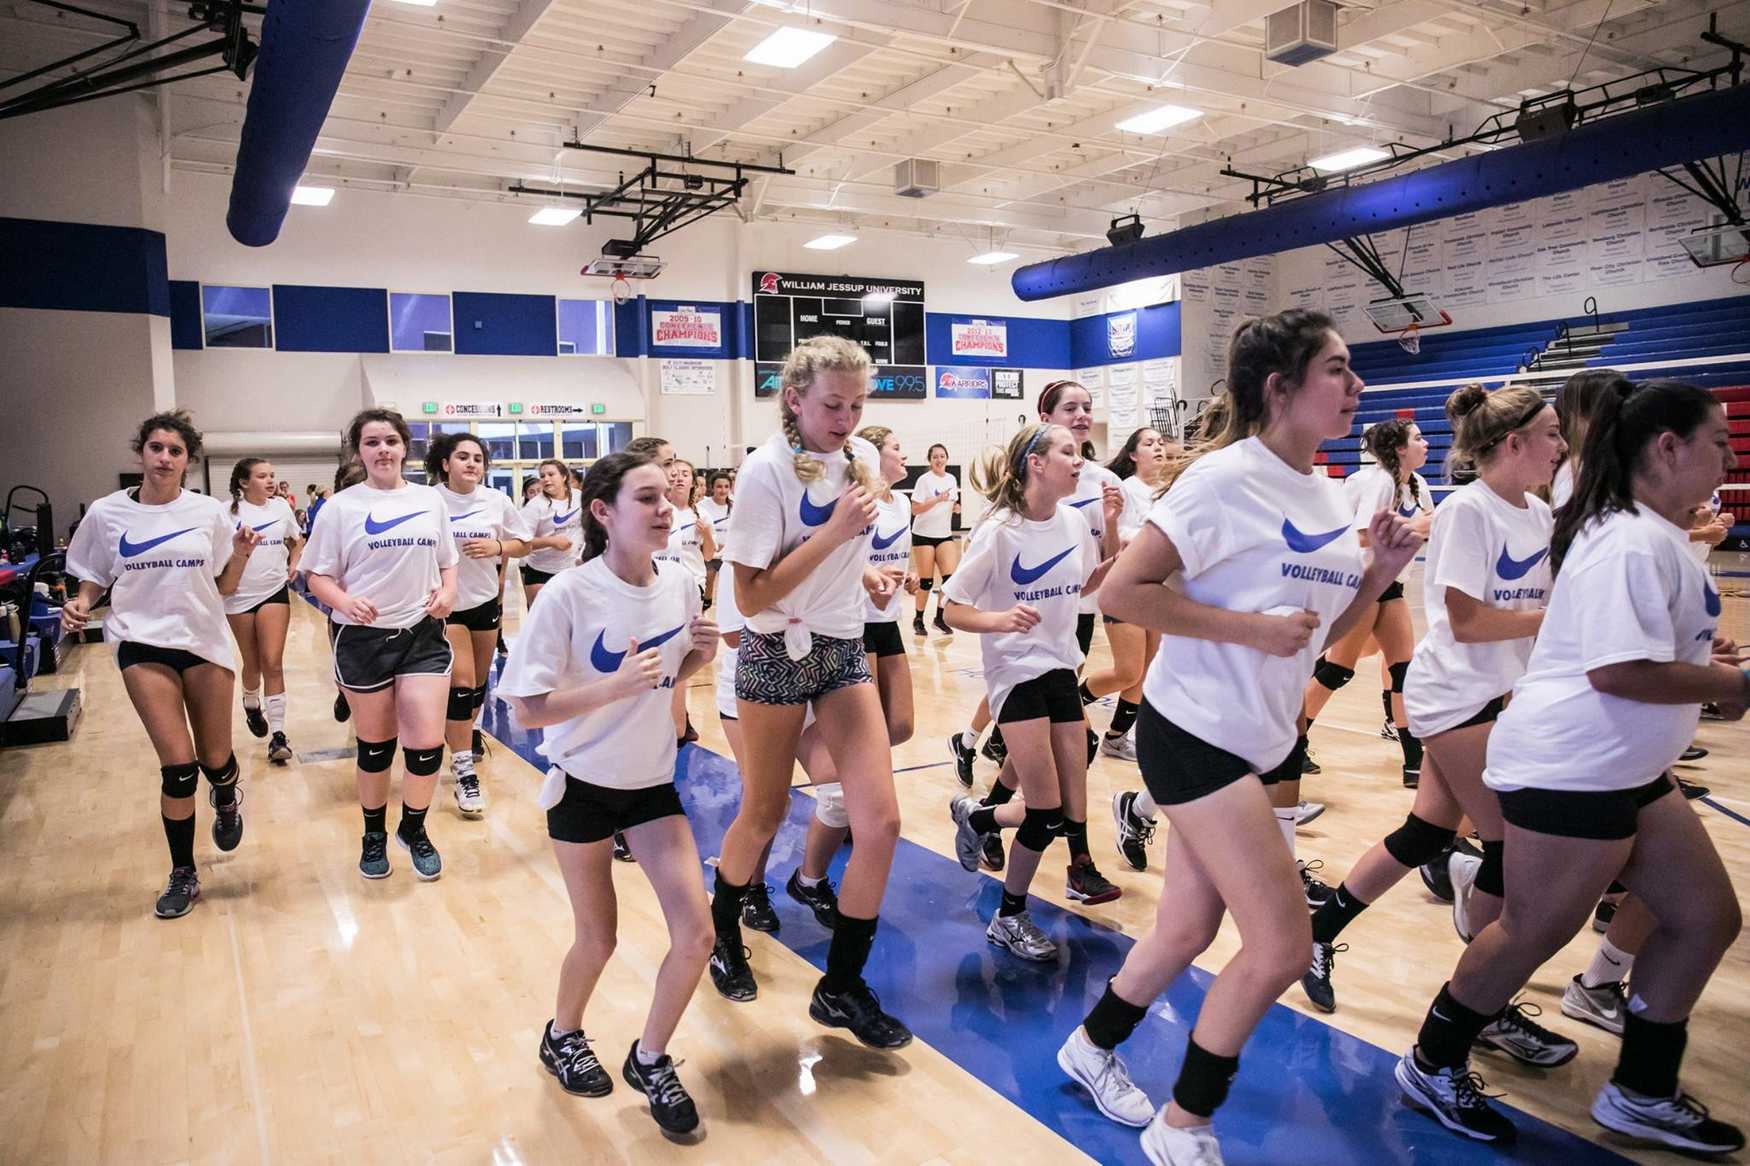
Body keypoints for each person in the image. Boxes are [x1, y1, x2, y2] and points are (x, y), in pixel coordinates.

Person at [1055, 311, 1419, 1166]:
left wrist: (1379, 573)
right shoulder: (1222, 480)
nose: (1358, 385)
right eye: (1338, 369)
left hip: (1262, 737)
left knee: (1186, 929)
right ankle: (1183, 1123)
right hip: (1194, 733)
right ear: (1280, 388)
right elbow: (1124, 594)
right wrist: (1248, 630)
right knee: (1285, 945)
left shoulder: (1326, 492)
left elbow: (1325, 634)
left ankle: (1090, 1045)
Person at [1395, 379, 1744, 1157]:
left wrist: (1702, 665)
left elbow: (1625, 650)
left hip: (1625, 765)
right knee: (1531, 931)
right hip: (1571, 766)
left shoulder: (1647, 533)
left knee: (1704, 917)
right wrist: (1732, 685)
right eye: (1718, 441)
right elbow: (1615, 671)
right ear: (1668, 448)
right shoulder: (1628, 540)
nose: (1729, 456)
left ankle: (1642, 1090)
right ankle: (1431, 1063)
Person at [1297, 385, 1570, 1071]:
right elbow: (1469, 622)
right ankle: (1486, 1004)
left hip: (1494, 694)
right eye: (1550, 433)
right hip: (1453, 697)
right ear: (1514, 443)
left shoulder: (1539, 512)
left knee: (1425, 833)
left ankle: (1318, 934)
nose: (1561, 445)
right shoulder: (1468, 511)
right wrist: (1554, 620)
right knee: (1508, 843)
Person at [498, 451, 718, 1136]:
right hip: (583, 786)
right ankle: (562, 1034)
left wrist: (701, 654)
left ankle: (650, 1058)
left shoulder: (682, 583)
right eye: (646, 498)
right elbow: (525, 710)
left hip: (651, 785)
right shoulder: (569, 593)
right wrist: (613, 687)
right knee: (598, 938)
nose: (665, 508)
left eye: (666, 497)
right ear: (603, 511)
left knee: (697, 935)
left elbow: (671, 671)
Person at [709, 334, 910, 1050]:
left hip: (842, 648)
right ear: (794, 399)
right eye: (832, 404)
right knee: (763, 813)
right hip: (773, 651)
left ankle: (841, 985)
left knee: (881, 822)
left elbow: (837, 557)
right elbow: (751, 594)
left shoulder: (858, 461)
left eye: (857, 405)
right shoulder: (764, 472)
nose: (846, 418)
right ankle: (722, 933)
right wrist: (836, 535)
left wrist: (864, 572)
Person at [62, 411, 260, 917]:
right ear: (141, 453)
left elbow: (225, 586)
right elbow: (93, 575)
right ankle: (183, 873)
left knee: (215, 759)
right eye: (156, 448)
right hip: (141, 641)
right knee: (178, 767)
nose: (165, 458)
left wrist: (240, 554)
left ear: (187, 461)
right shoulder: (107, 513)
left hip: (202, 640)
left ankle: (226, 795)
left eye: (175, 451)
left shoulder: (208, 513)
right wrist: (81, 601)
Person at [946, 423, 1114, 961]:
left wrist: (1119, 546)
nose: (1079, 460)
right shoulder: (999, 531)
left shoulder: (1073, 521)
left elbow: (1083, 586)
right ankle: (1009, 917)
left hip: (1062, 667)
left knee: (1061, 811)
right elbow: (951, 609)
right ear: (1036, 463)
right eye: (1068, 452)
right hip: (1014, 673)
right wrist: (999, 620)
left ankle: (978, 817)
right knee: (1044, 810)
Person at [304, 408, 458, 881]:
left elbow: (447, 560)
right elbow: (315, 575)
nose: (383, 449)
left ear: (404, 446)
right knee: (376, 747)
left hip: (421, 633)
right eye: (372, 442)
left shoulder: (430, 500)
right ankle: (373, 835)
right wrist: (345, 602)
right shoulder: (340, 508)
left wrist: (448, 592)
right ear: (359, 451)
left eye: (391, 440)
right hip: (362, 640)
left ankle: (414, 828)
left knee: (426, 743)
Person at [1299, 418, 1433, 788]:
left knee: (1403, 671)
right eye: (1418, 438)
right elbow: (1361, 536)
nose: (1426, 444)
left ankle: (1414, 762)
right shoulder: (1380, 483)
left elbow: (1428, 526)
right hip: (1361, 585)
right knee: (1338, 670)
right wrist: (1416, 529)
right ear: (1399, 449)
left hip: (1392, 585)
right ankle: (1293, 741)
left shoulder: (1418, 485)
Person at [428, 432, 531, 815]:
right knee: (462, 682)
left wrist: (498, 547)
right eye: (463, 457)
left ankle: (465, 732)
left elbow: (524, 542)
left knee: (477, 687)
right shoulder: (429, 500)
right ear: (445, 464)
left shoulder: (496, 500)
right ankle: (463, 770)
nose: (472, 463)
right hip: (445, 606)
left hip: (485, 602)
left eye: (478, 458)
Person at [1084, 426, 1170, 766]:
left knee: (1145, 670)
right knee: (1127, 671)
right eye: (1149, 444)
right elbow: (1119, 535)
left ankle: (1116, 737)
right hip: (1125, 587)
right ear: (1133, 455)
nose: (1158, 448)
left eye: (1161, 443)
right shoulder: (1126, 488)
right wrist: (1153, 539)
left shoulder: (1167, 491)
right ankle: (1068, 702)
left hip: (1158, 589)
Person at [224, 456, 302, 764]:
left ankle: (278, 735)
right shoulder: (227, 512)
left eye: (272, 475)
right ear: (244, 483)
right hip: (238, 596)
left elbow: (297, 540)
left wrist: (294, 563)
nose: (270, 480)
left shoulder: (281, 507)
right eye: (261, 476)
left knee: (272, 662)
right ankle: (251, 704)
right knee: (253, 663)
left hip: (273, 590)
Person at [858, 425, 918, 746]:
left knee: (901, 726)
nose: (903, 455)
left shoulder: (903, 503)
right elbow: (842, 560)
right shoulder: (860, 503)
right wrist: (871, 574)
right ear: (874, 456)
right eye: (896, 448)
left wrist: (907, 576)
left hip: (888, 619)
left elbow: (896, 554)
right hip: (858, 621)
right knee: (868, 729)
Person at [657, 457, 716, 745]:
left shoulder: (702, 515)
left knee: (685, 650)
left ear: (693, 481)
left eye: (685, 474)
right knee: (666, 650)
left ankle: (681, 719)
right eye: (675, 473)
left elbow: (709, 555)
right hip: (660, 588)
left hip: (692, 589)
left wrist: (707, 535)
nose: (679, 477)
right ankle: (672, 718)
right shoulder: (659, 510)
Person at [910, 442, 960, 636]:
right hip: (923, 534)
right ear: (930, 460)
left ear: (947, 458)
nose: (939, 460)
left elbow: (952, 502)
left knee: (949, 580)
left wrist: (955, 508)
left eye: (942, 456)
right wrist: (937, 499)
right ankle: (918, 619)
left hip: (944, 534)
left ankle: (939, 618)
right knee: (926, 582)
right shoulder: (924, 480)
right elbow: (916, 509)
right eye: (935, 457)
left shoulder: (951, 479)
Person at [520, 459, 583, 607]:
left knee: (572, 617)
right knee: (543, 618)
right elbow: (521, 542)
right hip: (541, 572)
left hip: (572, 570)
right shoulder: (535, 506)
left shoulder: (579, 497)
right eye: (542, 476)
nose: (546, 479)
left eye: (551, 474)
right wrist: (551, 542)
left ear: (564, 477)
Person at [697, 471, 734, 608]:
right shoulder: (702, 506)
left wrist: (728, 546)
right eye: (719, 486)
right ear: (712, 487)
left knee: (729, 588)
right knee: (708, 582)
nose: (723, 490)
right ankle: (704, 608)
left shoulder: (735, 506)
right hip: (708, 554)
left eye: (726, 486)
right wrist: (712, 543)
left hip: (728, 555)